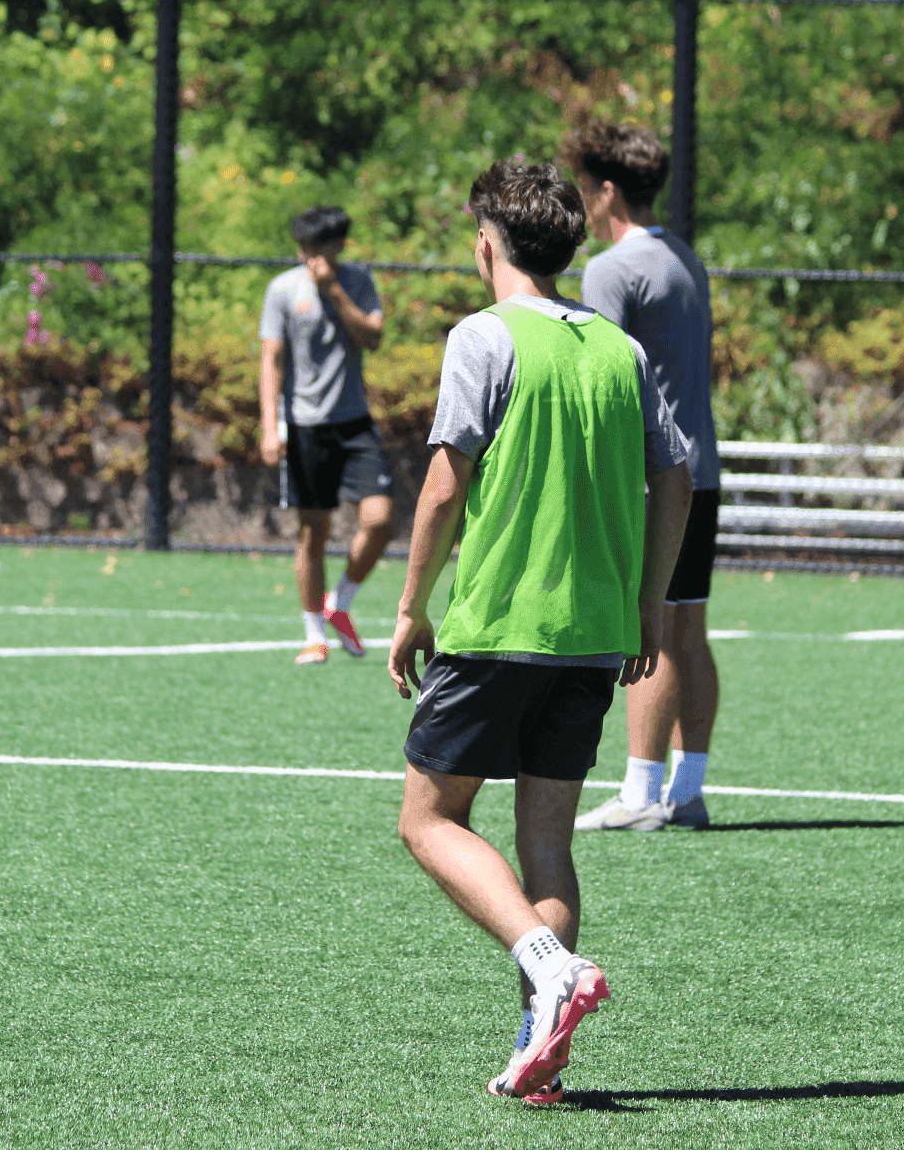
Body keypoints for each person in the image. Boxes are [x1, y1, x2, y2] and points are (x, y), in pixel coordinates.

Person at [389, 161, 692, 1103]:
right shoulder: (617, 349)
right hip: (597, 633)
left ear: (488, 243)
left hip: (497, 622)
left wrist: (409, 608)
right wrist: (649, 603)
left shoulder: (484, 335)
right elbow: (674, 477)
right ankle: (540, 1043)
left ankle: (546, 966)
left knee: (428, 819)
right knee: (547, 842)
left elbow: (446, 481)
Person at [560, 122, 722, 832]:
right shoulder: (686, 256)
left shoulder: (609, 267)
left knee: (645, 627)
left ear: (607, 191)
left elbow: (605, 377)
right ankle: (686, 792)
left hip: (654, 479)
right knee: (689, 630)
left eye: (587, 192)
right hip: (702, 469)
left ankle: (637, 793)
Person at [258, 205, 395, 665]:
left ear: (338, 246)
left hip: (354, 422)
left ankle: (341, 603)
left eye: (321, 247)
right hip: (304, 426)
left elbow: (372, 338)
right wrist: (268, 426)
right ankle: (313, 633)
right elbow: (271, 360)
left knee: (379, 520)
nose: (311, 256)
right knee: (312, 533)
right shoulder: (281, 290)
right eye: (305, 248)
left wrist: (334, 291)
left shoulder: (358, 281)